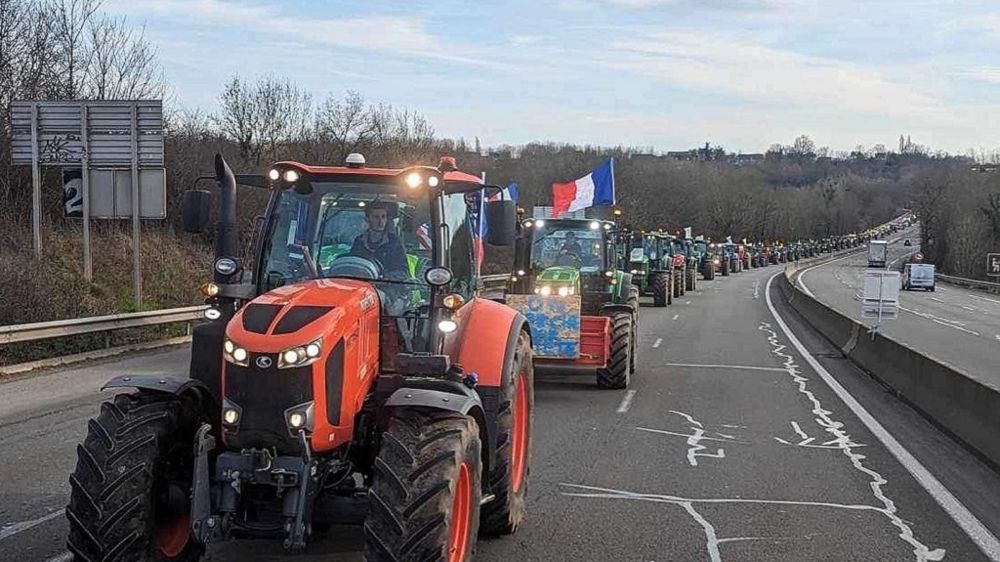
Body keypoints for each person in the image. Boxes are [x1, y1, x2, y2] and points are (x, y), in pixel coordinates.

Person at [350, 203, 408, 278]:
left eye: (383, 217)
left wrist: (382, 277)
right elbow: (352, 264)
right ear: (367, 219)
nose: (381, 222)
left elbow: (403, 272)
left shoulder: (394, 242)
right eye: (376, 217)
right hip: (363, 285)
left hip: (387, 287)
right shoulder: (359, 242)